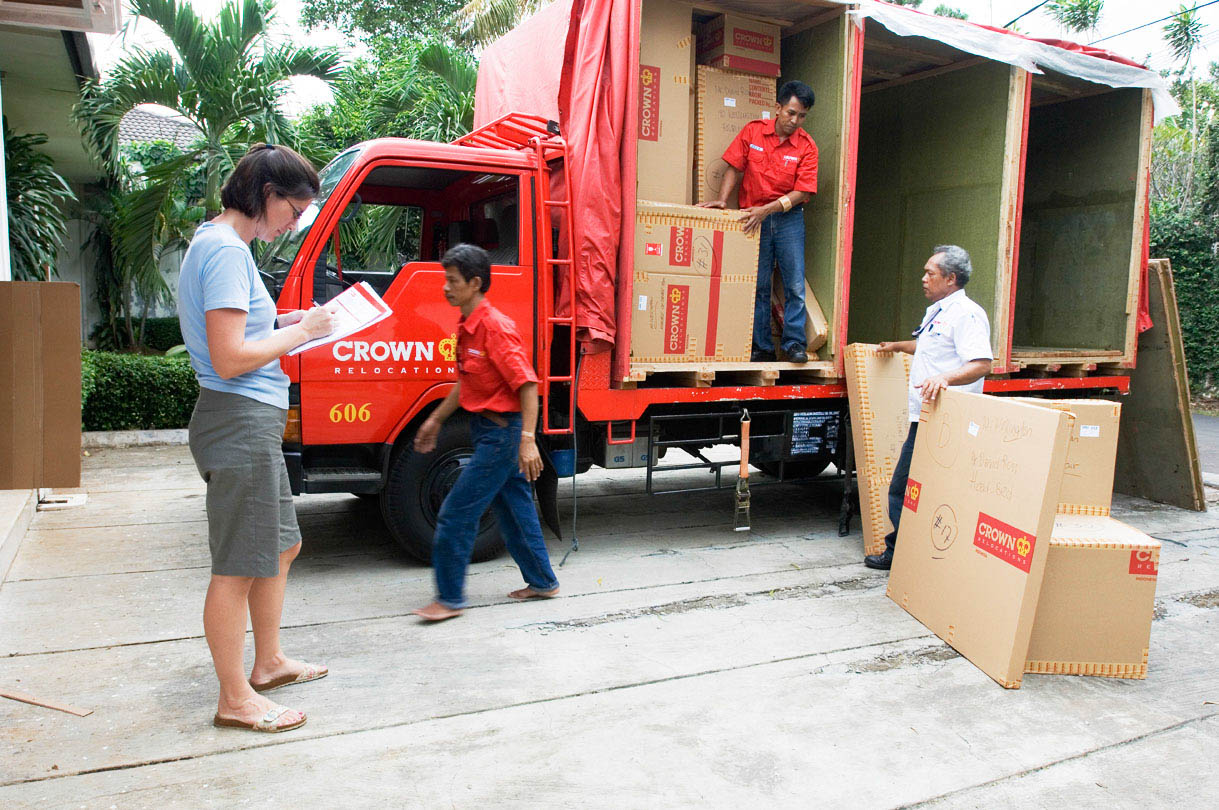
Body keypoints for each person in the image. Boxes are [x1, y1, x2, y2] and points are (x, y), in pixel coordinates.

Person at [178, 143, 335, 733]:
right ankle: (234, 697)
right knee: (238, 566)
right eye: (292, 211)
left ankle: (266, 663)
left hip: (252, 417)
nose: (293, 224)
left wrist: (289, 322)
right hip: (238, 417)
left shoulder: (227, 247)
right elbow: (230, 356)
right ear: (267, 196)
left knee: (280, 547)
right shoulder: (222, 250)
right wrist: (303, 334)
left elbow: (246, 331)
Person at [412, 244, 560, 622]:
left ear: (475, 283)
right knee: (514, 509)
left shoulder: (494, 327)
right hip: (487, 431)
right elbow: (467, 383)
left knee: (456, 512)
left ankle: (448, 599)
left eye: (452, 281)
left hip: (502, 435)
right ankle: (543, 581)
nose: (445, 287)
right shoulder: (468, 325)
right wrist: (436, 420)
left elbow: (527, 385)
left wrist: (528, 440)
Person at [864, 245, 994, 571]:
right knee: (920, 487)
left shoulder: (967, 314)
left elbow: (980, 363)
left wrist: (945, 378)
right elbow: (929, 346)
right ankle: (920, 552)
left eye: (930, 273)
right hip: (925, 415)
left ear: (950, 279)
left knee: (901, 488)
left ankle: (900, 555)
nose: (923, 279)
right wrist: (896, 346)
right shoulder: (938, 310)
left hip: (946, 417)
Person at [700, 80, 818, 364]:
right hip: (754, 219)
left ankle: (793, 344)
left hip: (788, 219)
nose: (795, 120)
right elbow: (734, 167)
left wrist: (767, 210)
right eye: (791, 113)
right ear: (777, 108)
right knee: (758, 285)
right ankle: (762, 347)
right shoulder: (753, 131)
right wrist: (723, 200)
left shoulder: (807, 146)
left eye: (802, 115)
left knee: (794, 286)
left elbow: (802, 191)